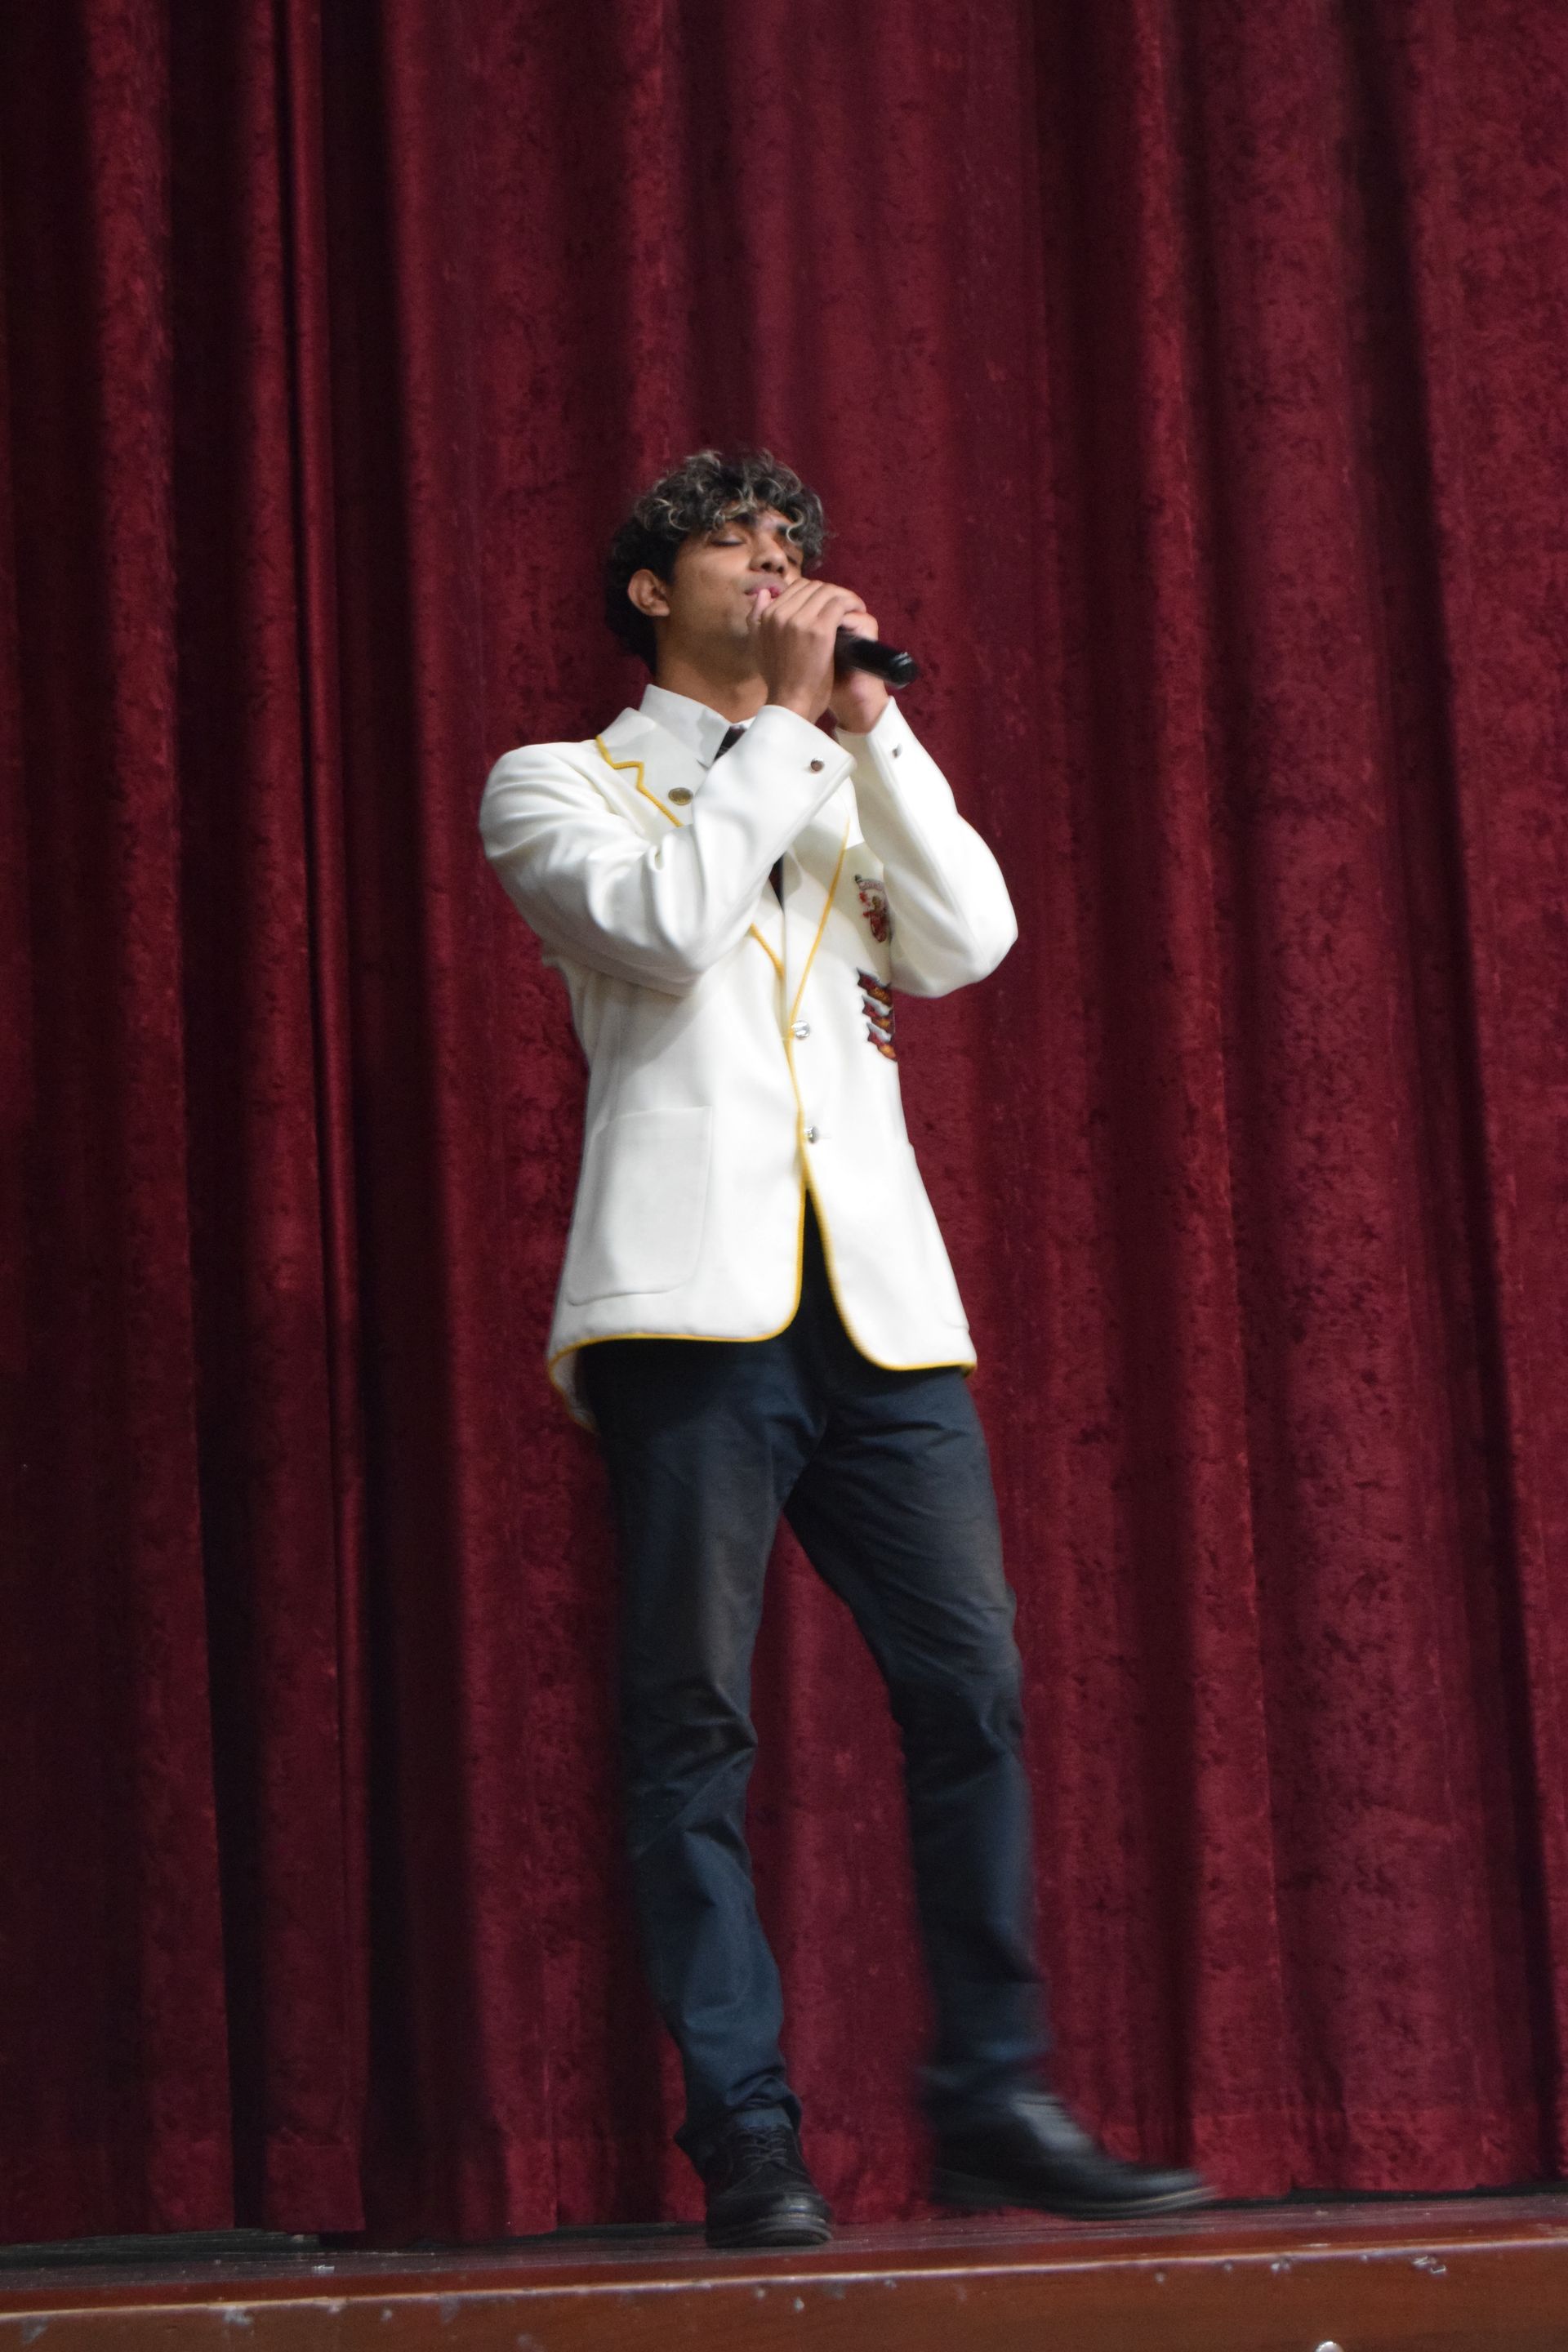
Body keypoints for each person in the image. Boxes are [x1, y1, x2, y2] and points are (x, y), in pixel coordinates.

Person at [479, 449, 1211, 2250]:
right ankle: (745, 2136)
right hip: (691, 1314)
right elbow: (654, 934)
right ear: (655, 590)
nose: (781, 566)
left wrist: (867, 731)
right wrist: (792, 736)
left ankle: (993, 2099)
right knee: (694, 1729)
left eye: (798, 545)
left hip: (881, 1316)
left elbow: (969, 938)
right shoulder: (563, 783)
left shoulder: (834, 773)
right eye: (740, 543)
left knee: (973, 1690)